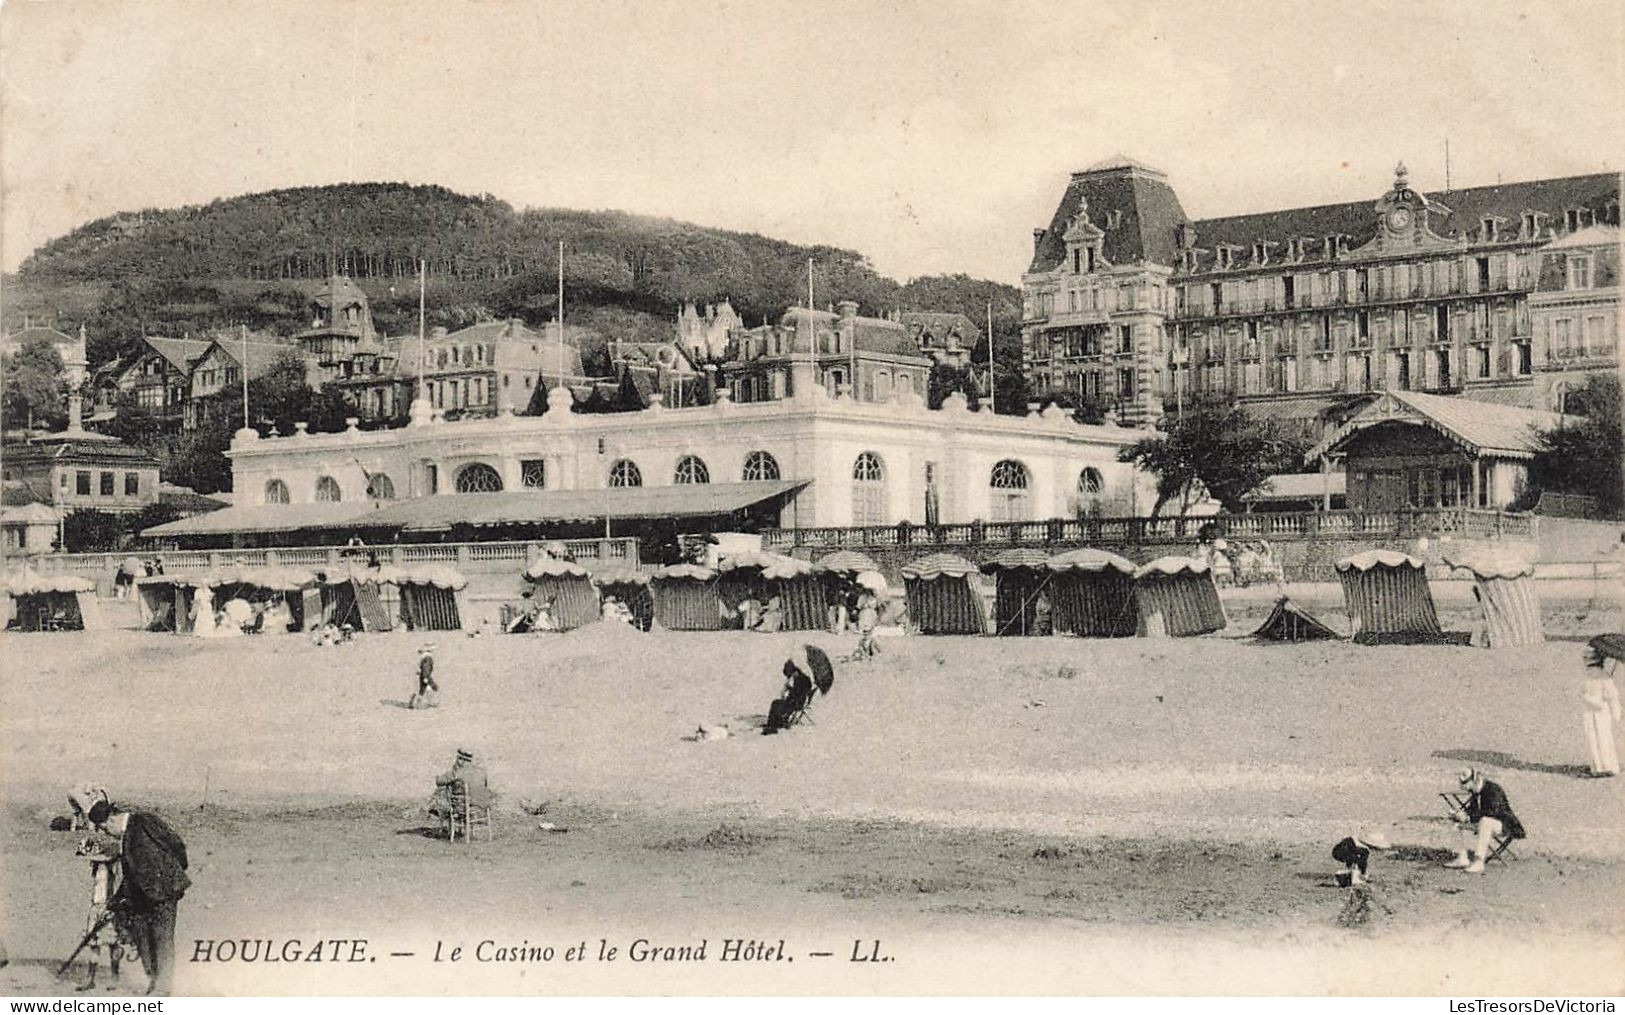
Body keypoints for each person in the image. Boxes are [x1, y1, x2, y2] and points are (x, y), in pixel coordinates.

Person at [86, 799, 189, 995]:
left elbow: (176, 844)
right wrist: (115, 902)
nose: (108, 834)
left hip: (164, 891)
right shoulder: (125, 837)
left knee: (162, 937)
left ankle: (163, 988)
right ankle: (153, 978)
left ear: (110, 821)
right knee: (141, 934)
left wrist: (172, 872)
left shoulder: (144, 821)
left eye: (105, 830)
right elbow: (132, 875)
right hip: (141, 895)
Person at [1446, 768, 1525, 873]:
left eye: (1468, 786)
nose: (1468, 790)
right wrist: (1461, 815)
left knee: (1485, 822)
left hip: (1505, 825)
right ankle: (1461, 857)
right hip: (1485, 823)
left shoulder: (1493, 789)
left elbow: (1492, 812)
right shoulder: (1476, 791)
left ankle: (1479, 862)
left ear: (1475, 781)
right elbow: (1472, 810)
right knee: (1455, 822)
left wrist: (1469, 818)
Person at [1581, 644, 1621, 777]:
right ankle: (1602, 765)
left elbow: (1610, 695)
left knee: (1598, 736)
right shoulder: (1601, 676)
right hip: (1595, 711)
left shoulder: (1592, 676)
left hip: (1598, 711)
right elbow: (1612, 695)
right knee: (1599, 736)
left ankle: (1602, 766)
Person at [427, 749, 491, 824]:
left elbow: (439, 782)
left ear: (461, 760)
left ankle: (443, 824)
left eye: (457, 759)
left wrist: (452, 770)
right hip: (481, 808)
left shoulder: (457, 772)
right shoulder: (482, 772)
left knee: (439, 797)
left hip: (462, 810)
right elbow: (485, 786)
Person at [410, 644, 439, 709]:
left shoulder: (423, 658)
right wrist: (425, 677)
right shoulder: (428, 659)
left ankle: (415, 703)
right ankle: (417, 704)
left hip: (421, 675)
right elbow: (426, 668)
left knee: (423, 689)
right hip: (424, 676)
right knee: (424, 689)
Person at [855, 591, 880, 658]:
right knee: (864, 623)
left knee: (870, 623)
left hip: (871, 613)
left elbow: (876, 606)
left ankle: (869, 632)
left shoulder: (874, 599)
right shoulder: (862, 598)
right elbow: (859, 606)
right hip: (864, 612)